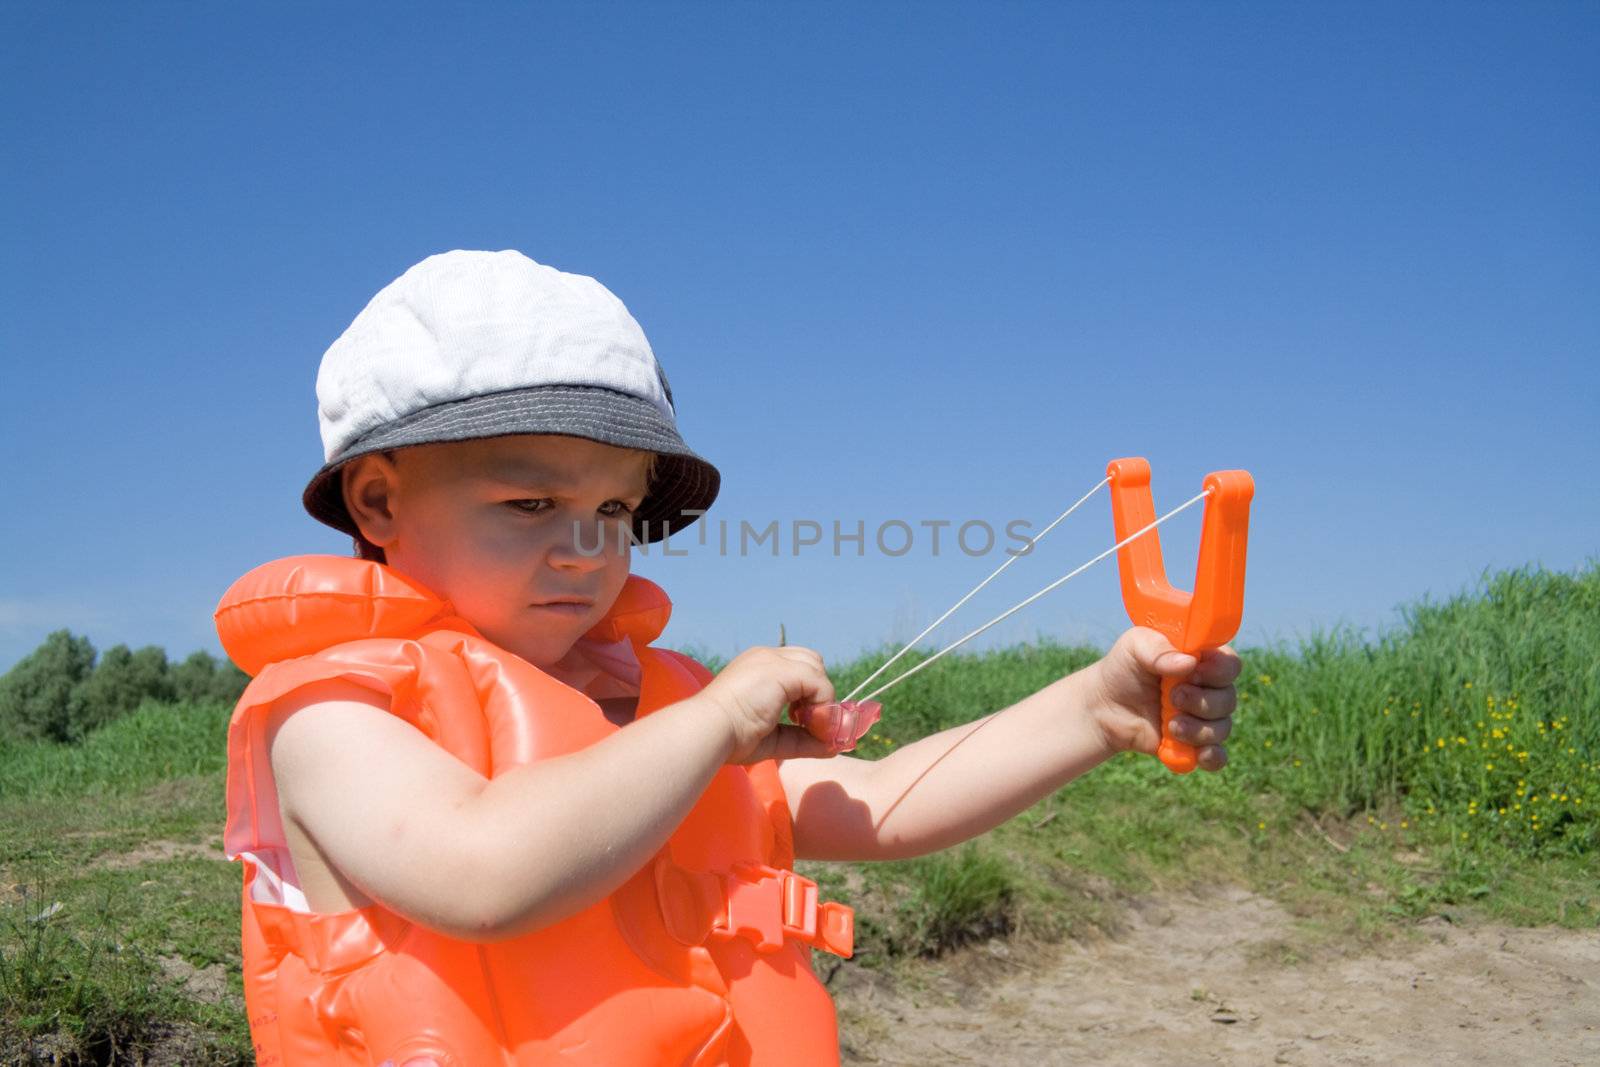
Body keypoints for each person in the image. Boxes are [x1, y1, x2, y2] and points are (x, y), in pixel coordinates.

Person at [215, 249, 1240, 1067]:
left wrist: (1099, 710)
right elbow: (481, 871)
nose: (585, 549)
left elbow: (881, 797)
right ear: (380, 501)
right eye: (530, 504)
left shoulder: (643, 700)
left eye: (613, 509)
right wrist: (711, 725)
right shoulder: (333, 714)